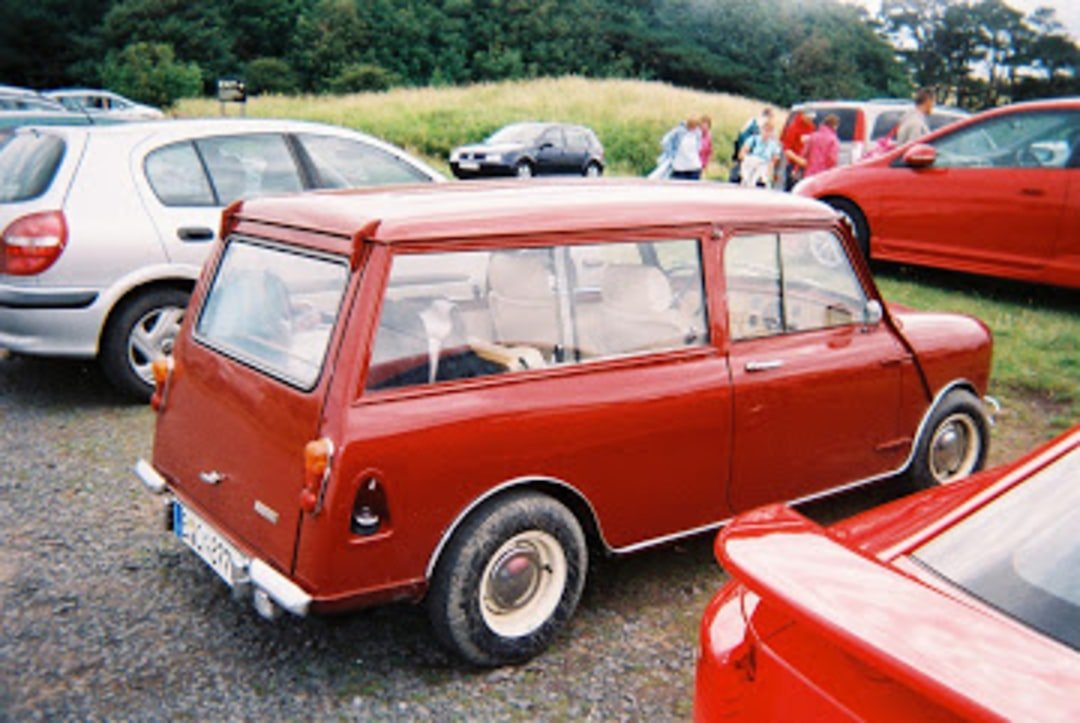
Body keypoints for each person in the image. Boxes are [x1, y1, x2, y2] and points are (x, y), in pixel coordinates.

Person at [730, 107, 773, 182]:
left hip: (743, 153)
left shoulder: (752, 121)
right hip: (753, 157)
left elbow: (740, 135)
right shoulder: (765, 124)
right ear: (769, 116)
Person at [738, 121, 782, 188]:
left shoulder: (774, 145)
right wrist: (750, 160)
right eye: (765, 130)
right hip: (750, 165)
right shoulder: (753, 139)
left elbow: (773, 161)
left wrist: (768, 171)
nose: (766, 133)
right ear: (761, 130)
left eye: (769, 131)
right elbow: (741, 154)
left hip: (763, 167)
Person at [780, 108, 815, 190]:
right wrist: (799, 160)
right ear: (803, 116)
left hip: (807, 166)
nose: (810, 119)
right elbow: (787, 149)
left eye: (811, 118)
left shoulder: (812, 128)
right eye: (808, 118)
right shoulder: (793, 128)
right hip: (793, 165)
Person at [803, 113, 841, 178]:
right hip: (823, 174)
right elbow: (832, 159)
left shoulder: (813, 136)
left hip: (810, 173)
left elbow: (804, 153)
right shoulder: (833, 139)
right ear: (835, 125)